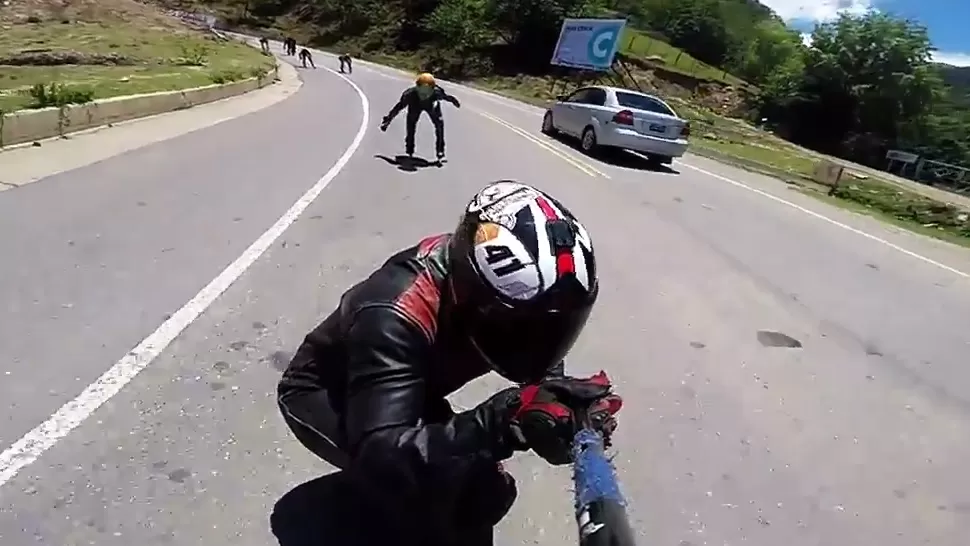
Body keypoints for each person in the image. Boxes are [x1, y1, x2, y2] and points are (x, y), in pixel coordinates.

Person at [277, 180, 623, 546]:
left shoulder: (485, 280)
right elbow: (381, 450)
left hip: (415, 387)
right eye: (527, 329)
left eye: (554, 330)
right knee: (423, 493)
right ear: (472, 298)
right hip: (330, 394)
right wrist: (500, 422)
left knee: (487, 494)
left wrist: (562, 404)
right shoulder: (392, 314)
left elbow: (541, 353)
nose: (539, 344)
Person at [380, 72, 460, 161]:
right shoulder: (409, 94)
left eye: (427, 91)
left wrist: (453, 100)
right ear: (417, 87)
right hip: (415, 104)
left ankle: (440, 150)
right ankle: (410, 147)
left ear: (433, 89)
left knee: (439, 126)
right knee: (411, 125)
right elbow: (399, 107)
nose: (424, 95)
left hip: (431, 105)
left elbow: (446, 97)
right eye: (422, 92)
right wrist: (388, 119)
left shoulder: (437, 92)